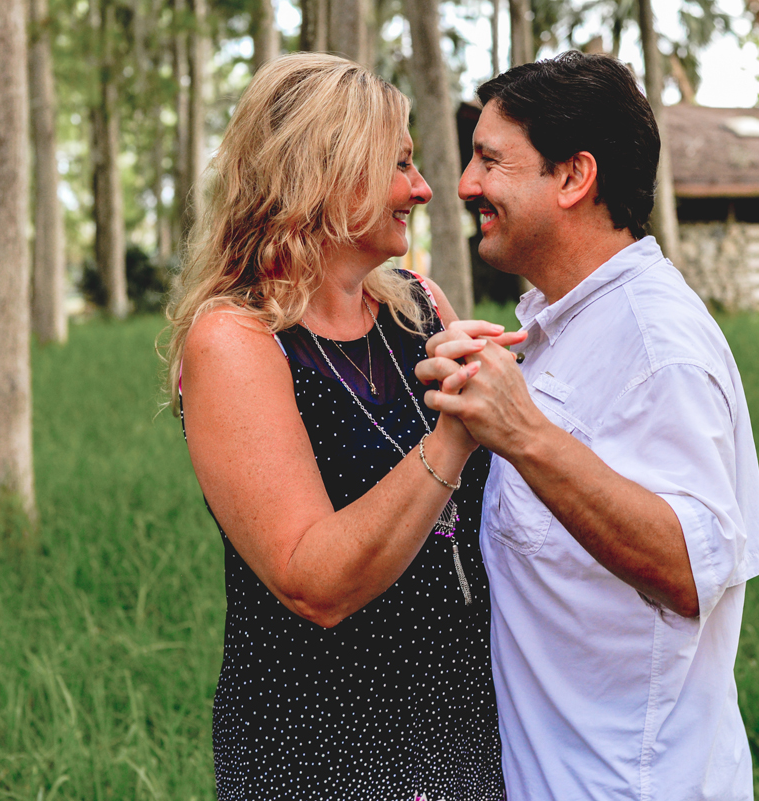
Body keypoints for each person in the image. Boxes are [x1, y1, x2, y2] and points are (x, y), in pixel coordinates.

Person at [416, 52, 759, 800]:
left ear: (575, 178)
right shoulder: (558, 323)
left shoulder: (655, 343)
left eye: (490, 160)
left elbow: (688, 567)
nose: (464, 184)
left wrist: (526, 434)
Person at [164, 53, 511, 801]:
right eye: (400, 164)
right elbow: (310, 579)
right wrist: (454, 434)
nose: (422, 189)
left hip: (463, 728)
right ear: (325, 171)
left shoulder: (420, 305)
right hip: (322, 746)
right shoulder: (236, 338)